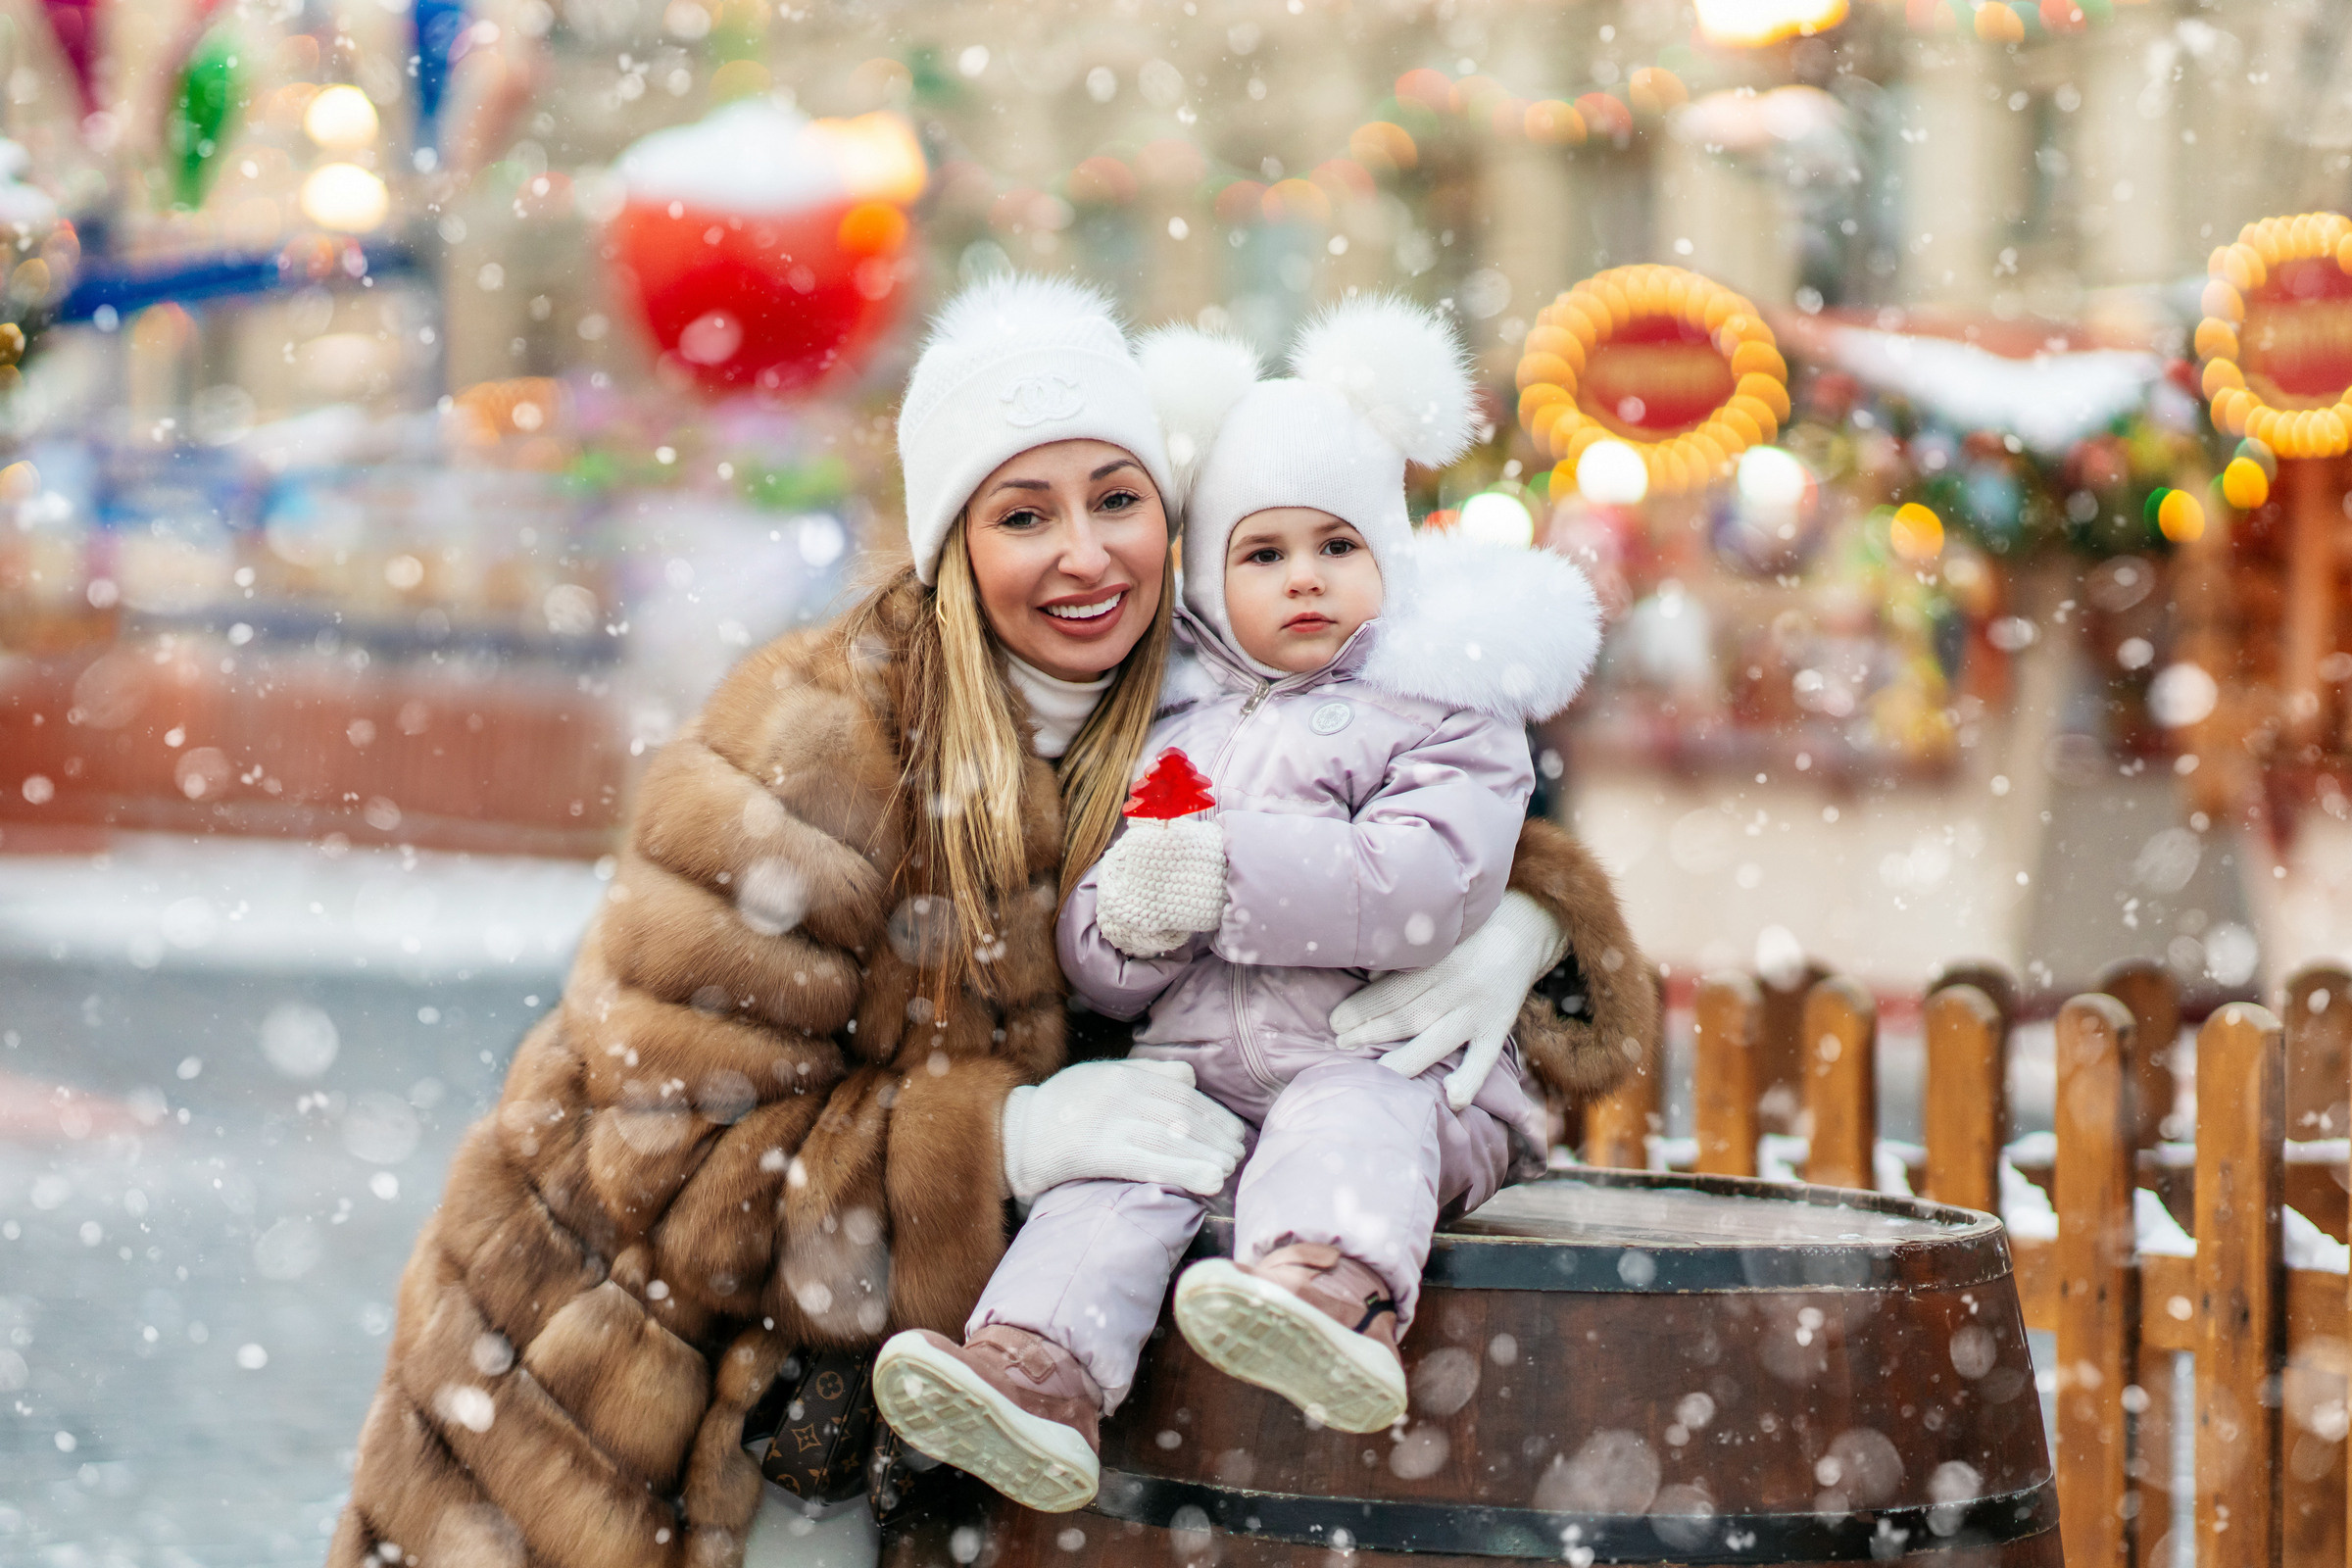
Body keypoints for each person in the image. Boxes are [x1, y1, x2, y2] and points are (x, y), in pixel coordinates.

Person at [330, 274, 1652, 1568]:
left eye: (1118, 500)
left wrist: (1529, 923)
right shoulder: (816, 751)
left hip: (898, 1407)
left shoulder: (1184, 702)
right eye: (1026, 514)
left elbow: (1395, 823)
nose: (1085, 553)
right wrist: (998, 1144)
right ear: (955, 542)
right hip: (615, 1413)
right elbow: (669, 1163)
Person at [869, 298, 1606, 1512]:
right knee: (1110, 1185)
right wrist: (1127, 927)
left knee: (1351, 1116)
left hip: (1388, 1062)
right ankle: (1036, 1371)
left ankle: (1333, 1294)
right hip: (1201, 1075)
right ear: (1212, 576)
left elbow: (1430, 878)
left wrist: (1532, 919)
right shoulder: (1165, 722)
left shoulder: (1443, 702)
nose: (1305, 581)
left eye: (1338, 546)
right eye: (1264, 555)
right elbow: (1109, 956)